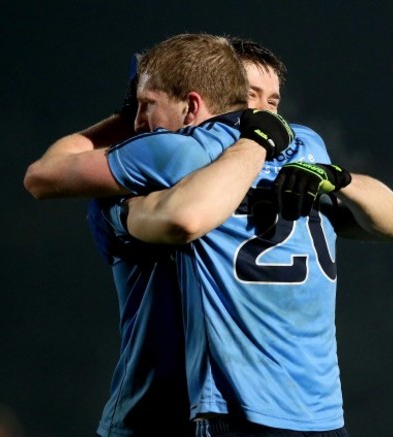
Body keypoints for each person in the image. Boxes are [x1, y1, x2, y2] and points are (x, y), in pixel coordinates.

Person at [24, 33, 295, 437]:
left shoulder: (287, 161)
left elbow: (42, 175)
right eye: (248, 95)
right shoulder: (286, 158)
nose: (258, 111)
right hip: (172, 411)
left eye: (271, 103)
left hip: (216, 410)